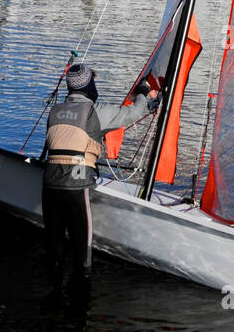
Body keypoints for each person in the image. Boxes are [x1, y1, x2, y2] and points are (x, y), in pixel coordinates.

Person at [41, 63, 155, 292]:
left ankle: (51, 304)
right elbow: (133, 113)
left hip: (49, 186)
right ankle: (79, 304)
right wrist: (142, 94)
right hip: (76, 186)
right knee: (83, 255)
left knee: (55, 252)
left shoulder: (55, 112)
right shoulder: (95, 112)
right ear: (89, 86)